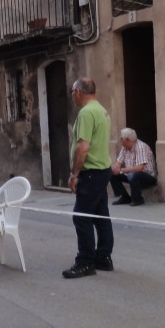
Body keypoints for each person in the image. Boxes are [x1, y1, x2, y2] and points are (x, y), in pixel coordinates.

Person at [64, 77, 113, 279]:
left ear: (78, 92)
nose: (72, 97)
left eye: (72, 93)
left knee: (81, 217)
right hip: (103, 170)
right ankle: (103, 257)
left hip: (91, 172)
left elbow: (83, 147)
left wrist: (74, 174)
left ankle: (85, 261)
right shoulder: (101, 110)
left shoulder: (86, 113)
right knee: (101, 216)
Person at [110, 127, 157, 206]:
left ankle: (137, 199)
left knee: (133, 174)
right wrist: (115, 168)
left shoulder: (141, 147)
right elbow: (118, 162)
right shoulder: (124, 147)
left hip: (147, 176)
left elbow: (139, 168)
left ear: (127, 140)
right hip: (131, 175)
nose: (120, 140)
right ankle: (124, 196)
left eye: (122, 138)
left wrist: (121, 170)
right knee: (111, 173)